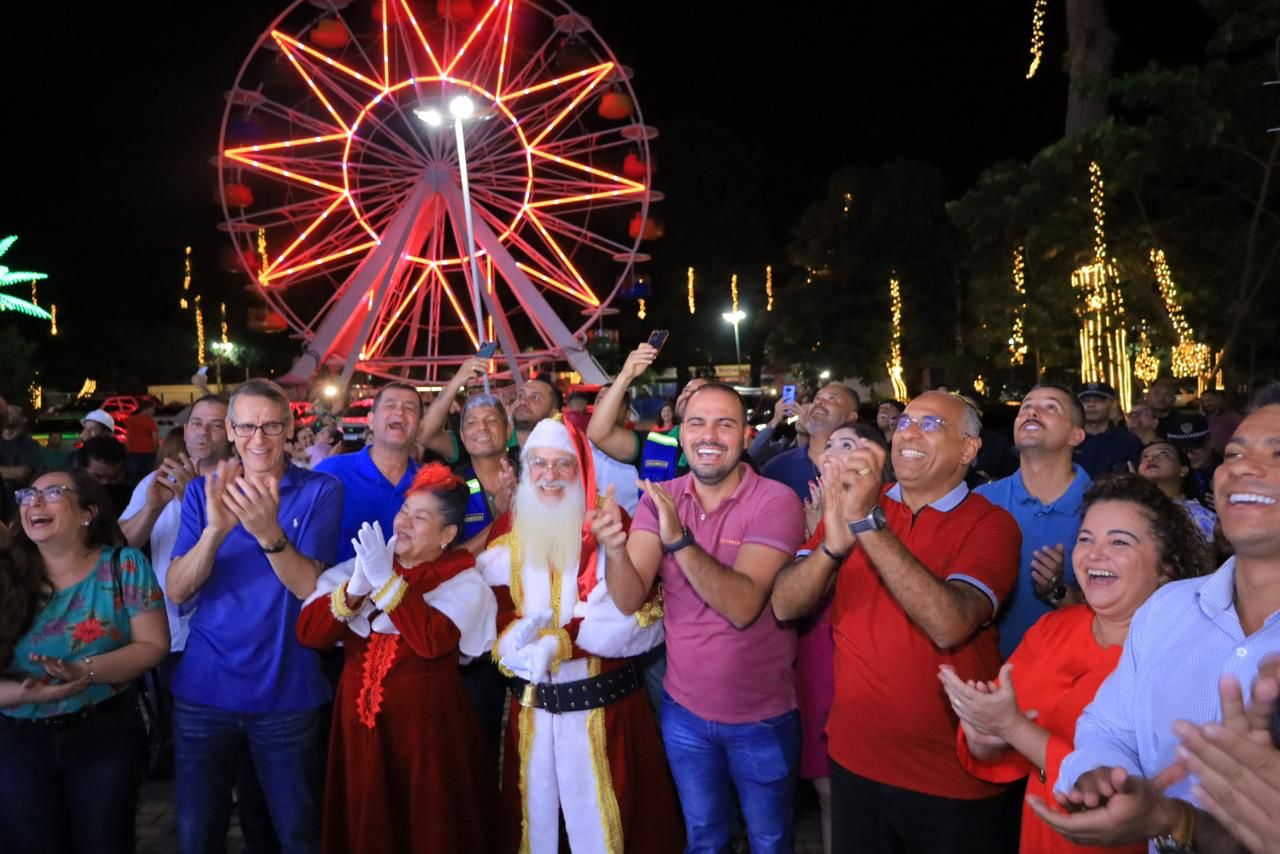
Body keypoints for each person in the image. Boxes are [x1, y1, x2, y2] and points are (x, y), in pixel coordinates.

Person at [771, 390, 1021, 854]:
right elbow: (784, 604)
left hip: (952, 777)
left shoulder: (991, 524)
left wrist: (866, 523)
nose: (908, 432)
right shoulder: (861, 504)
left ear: (968, 449)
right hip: (854, 764)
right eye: (905, 421)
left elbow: (950, 623)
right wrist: (831, 547)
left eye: (931, 425)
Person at [1036, 401, 1280, 851]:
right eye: (1235, 454)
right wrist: (1102, 776)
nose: (1245, 468)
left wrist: (1179, 821)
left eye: (1277, 455)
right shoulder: (1170, 607)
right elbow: (1107, 728)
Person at [940, 474, 1213, 854]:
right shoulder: (1053, 628)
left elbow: (1126, 785)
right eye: (1086, 539)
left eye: (1119, 542)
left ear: (1166, 567)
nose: (1094, 554)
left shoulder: (1184, 658)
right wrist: (984, 733)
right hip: (1040, 836)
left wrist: (1012, 727)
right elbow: (1004, 755)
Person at [596, 382, 805, 853]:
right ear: (681, 434)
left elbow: (744, 606)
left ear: (746, 434)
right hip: (683, 712)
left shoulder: (775, 501)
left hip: (763, 716)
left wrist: (680, 541)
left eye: (724, 423)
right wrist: (614, 549)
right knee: (704, 839)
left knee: (770, 842)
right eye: (697, 423)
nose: (709, 434)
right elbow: (629, 598)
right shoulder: (660, 496)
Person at [481, 418, 683, 853]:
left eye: (563, 465)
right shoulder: (506, 533)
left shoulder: (613, 523)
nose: (550, 475)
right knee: (538, 833)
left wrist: (563, 642)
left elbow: (640, 615)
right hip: (531, 719)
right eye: (539, 463)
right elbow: (490, 609)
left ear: (582, 470)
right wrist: (511, 642)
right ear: (525, 468)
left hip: (606, 718)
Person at [166, 378, 344, 854]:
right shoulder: (205, 493)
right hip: (205, 692)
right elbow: (178, 589)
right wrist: (215, 532)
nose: (258, 439)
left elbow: (309, 587)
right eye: (246, 427)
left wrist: (269, 533)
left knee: (299, 832)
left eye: (270, 426)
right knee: (198, 834)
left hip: (288, 692)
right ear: (229, 429)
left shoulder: (319, 490)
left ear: (289, 428)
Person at [297, 463, 497, 854]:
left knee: (428, 825)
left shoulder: (463, 581)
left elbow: (430, 641)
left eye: (420, 517)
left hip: (426, 736)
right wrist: (355, 589)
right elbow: (310, 633)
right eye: (404, 511)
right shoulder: (365, 565)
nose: (404, 522)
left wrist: (386, 584)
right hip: (359, 730)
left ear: (448, 534)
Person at [0, 469, 169, 853]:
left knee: (105, 842)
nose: (34, 502)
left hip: (103, 733)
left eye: (52, 492)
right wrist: (32, 695)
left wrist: (84, 671)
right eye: (27, 495)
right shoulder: (6, 573)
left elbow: (153, 645)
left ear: (86, 513)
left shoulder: (124, 566)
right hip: (17, 740)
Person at [792, 421, 893, 854]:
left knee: (875, 792)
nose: (832, 450)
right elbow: (793, 597)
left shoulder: (891, 511)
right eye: (829, 444)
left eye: (848, 444)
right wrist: (812, 532)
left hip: (869, 660)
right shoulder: (806, 512)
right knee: (828, 790)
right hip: (816, 653)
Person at [976, 384, 1091, 658]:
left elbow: (1121, 616)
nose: (1032, 412)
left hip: (1073, 676)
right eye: (1026, 407)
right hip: (992, 676)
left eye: (1050, 407)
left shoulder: (1104, 506)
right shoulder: (981, 502)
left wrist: (1057, 590)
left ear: (1076, 435)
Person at [120, 394, 230, 654]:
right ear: (185, 429)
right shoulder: (155, 481)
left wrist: (193, 498)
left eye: (216, 425)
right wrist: (151, 509)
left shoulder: (242, 483)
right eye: (196, 423)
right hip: (166, 628)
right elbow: (119, 544)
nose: (203, 432)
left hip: (223, 628)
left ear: (232, 432)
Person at [315, 382, 422, 564]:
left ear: (420, 426)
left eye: (409, 408)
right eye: (390, 405)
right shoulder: (331, 473)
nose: (399, 412)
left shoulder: (430, 484)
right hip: (340, 589)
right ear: (371, 420)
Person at [588, 342, 711, 483]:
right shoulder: (655, 444)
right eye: (686, 391)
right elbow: (598, 434)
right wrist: (626, 375)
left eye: (697, 392)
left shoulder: (723, 447)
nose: (689, 395)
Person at [761, 383, 860, 497]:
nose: (819, 402)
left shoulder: (863, 467)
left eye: (832, 398)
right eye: (817, 398)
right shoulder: (777, 467)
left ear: (851, 417)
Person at [1137, 438, 1218, 542]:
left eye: (1163, 453)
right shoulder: (1127, 507)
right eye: (1144, 457)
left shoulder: (1201, 516)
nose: (1151, 459)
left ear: (1183, 469)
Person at [1073, 382, 1143, 478]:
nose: (1091, 405)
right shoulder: (1067, 440)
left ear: (1113, 404)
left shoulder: (1129, 441)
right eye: (1085, 401)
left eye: (1098, 400)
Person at [1166, 411, 1219, 508]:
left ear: (1209, 440)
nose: (1190, 455)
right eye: (1182, 451)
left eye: (1196, 449)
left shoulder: (1229, 471)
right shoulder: (1170, 475)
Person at [79, 435, 133, 517]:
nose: (106, 483)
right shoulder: (68, 500)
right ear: (81, 472)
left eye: (114, 478)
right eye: (98, 477)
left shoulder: (134, 498)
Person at [0, 404, 42, 487]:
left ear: (23, 419)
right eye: (6, 412)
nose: (8, 414)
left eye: (12, 411)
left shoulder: (29, 443)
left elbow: (22, 472)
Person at [1199, 388, 1242, 457]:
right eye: (1202, 402)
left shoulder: (1232, 417)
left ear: (1218, 400)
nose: (1206, 404)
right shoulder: (1202, 420)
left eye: (1209, 400)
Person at [126, 400, 161, 481]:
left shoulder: (131, 419)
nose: (153, 411)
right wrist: (156, 450)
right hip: (148, 452)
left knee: (133, 476)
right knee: (149, 476)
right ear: (145, 409)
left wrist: (128, 448)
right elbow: (155, 438)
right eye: (152, 409)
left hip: (133, 452)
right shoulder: (150, 421)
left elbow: (128, 435)